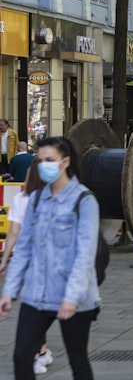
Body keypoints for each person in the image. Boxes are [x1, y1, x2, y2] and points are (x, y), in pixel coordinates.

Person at [0, 137, 100, 380]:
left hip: (73, 296)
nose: (43, 165)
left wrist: (71, 297)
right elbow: (23, 249)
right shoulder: (34, 199)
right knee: (22, 357)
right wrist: (9, 291)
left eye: (50, 160)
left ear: (65, 162)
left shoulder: (84, 200)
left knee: (78, 360)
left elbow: (85, 255)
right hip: (37, 295)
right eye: (40, 160)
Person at [0, 159, 54, 375]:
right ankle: (38, 353)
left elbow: (13, 232)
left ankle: (39, 353)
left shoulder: (22, 199)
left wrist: (5, 260)